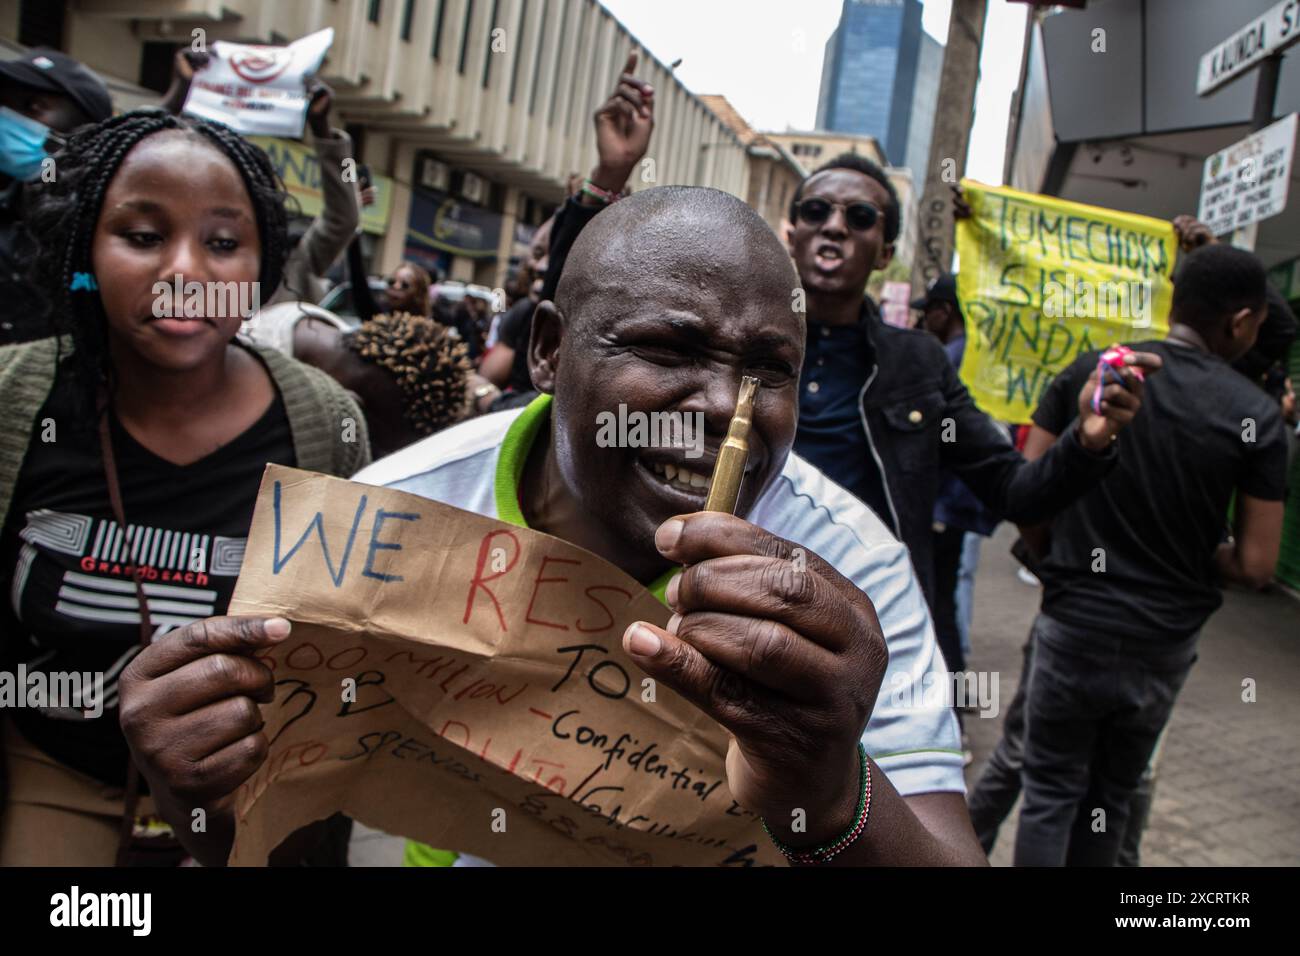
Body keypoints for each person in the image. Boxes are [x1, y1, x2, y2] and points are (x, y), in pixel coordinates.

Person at [118, 185, 990, 868]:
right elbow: (279, 845)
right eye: (670, 350)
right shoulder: (394, 521)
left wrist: (833, 795)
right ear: (547, 350)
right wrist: (195, 788)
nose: (730, 408)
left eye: (771, 369)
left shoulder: (847, 573)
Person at [0, 109, 369, 866]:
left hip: (249, 792)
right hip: (56, 771)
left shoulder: (325, 423)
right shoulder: (14, 399)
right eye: (142, 236)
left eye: (224, 243)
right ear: (86, 252)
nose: (187, 273)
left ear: (262, 269)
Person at [1002, 244, 1286, 867]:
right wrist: (1194, 549)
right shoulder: (1257, 418)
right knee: (1112, 797)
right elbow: (1258, 567)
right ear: (1241, 322)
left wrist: (1058, 555)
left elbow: (1027, 492)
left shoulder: (1098, 372)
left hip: (1074, 625)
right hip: (1162, 645)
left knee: (1049, 794)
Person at [785, 154, 1159, 610]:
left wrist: (1086, 442)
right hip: (733, 598)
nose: (835, 227)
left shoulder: (920, 362)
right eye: (817, 211)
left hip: (867, 619)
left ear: (885, 252)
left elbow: (1011, 489)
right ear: (792, 234)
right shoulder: (737, 344)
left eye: (860, 217)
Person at [161, 50, 361, 305]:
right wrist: (177, 96)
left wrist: (323, 131)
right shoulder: (182, 259)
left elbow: (345, 218)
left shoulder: (295, 265)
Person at [910, 273, 1000, 678]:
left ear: (945, 312)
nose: (925, 322)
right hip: (960, 502)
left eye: (928, 312)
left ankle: (953, 707)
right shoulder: (981, 358)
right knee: (946, 597)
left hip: (946, 503)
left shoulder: (948, 361)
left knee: (940, 606)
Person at [0, 48, 114, 345]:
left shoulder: (114, 226)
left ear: (86, 131)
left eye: (34, 106)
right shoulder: (9, 206)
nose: (8, 120)